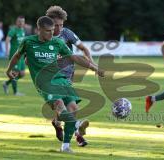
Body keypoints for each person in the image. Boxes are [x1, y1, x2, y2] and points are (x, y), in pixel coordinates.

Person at [6, 16, 104, 153]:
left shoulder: (57, 42)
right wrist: (9, 70)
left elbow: (74, 57)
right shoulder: (28, 42)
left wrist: (94, 68)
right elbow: (17, 56)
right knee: (59, 106)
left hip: (60, 79)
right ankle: (77, 124)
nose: (52, 33)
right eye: (48, 31)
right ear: (39, 29)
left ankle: (65, 146)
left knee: (73, 107)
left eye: (53, 30)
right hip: (44, 83)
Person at [45, 5, 97, 146]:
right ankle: (78, 134)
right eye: (56, 25)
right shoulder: (43, 37)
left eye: (61, 25)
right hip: (51, 78)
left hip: (68, 76)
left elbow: (84, 49)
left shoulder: (67, 34)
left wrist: (93, 65)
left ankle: (57, 123)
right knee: (67, 106)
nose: (59, 28)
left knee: (67, 108)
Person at [3, 16, 26, 96]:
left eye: (22, 21)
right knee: (15, 73)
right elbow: (7, 40)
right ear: (16, 22)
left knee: (22, 73)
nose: (21, 23)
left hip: (22, 56)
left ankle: (6, 83)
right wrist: (6, 52)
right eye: (19, 21)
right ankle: (15, 92)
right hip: (15, 55)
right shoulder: (13, 30)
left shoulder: (23, 30)